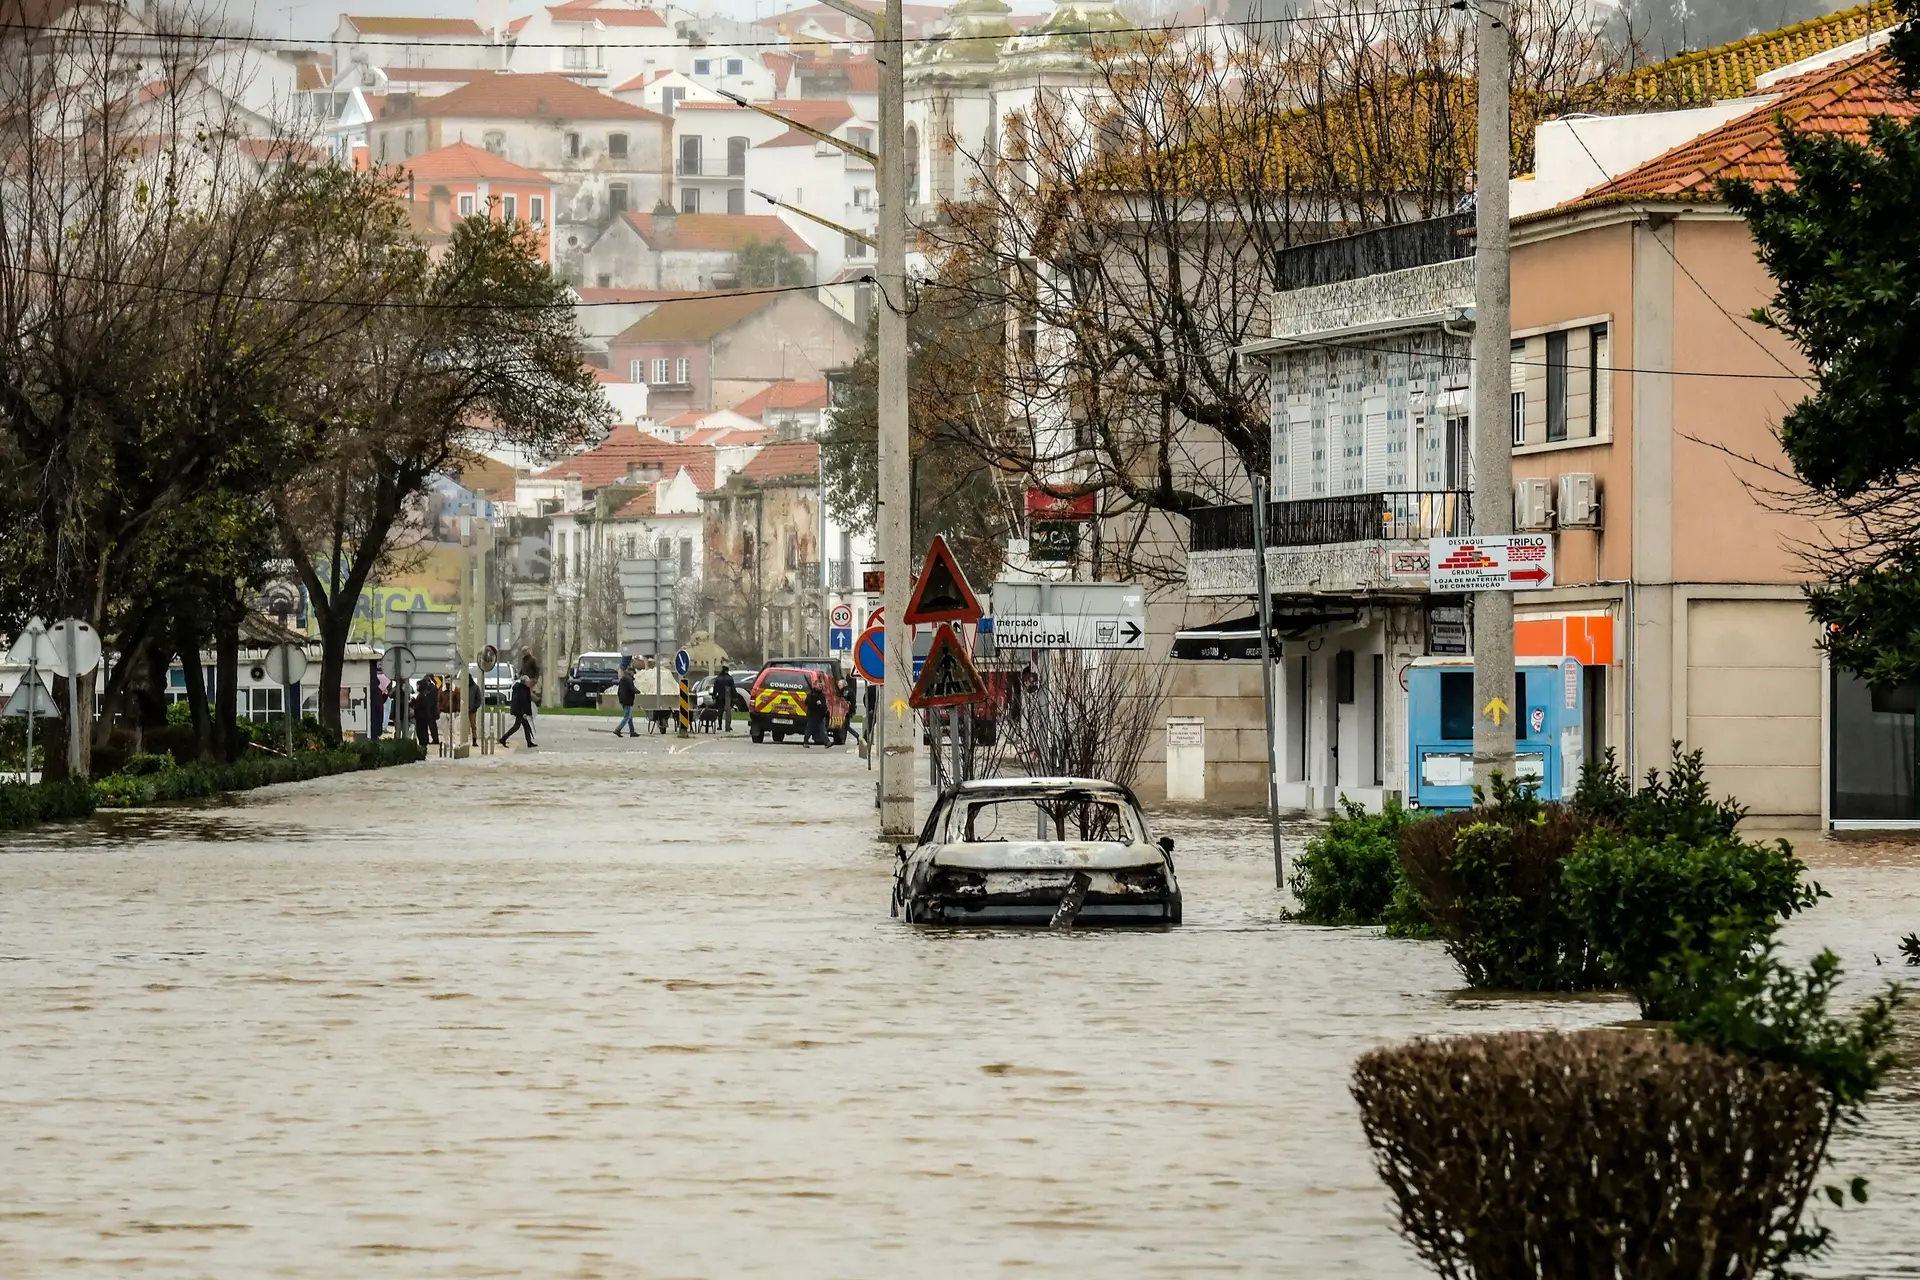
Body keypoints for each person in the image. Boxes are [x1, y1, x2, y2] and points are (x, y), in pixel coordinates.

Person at [502, 674, 536, 748]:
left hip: (520, 710)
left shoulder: (522, 688)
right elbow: (522, 702)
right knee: (516, 726)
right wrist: (524, 712)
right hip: (520, 711)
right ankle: (503, 738)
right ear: (524, 682)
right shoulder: (521, 690)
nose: (529, 683)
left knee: (526, 726)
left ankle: (529, 742)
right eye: (528, 682)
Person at [413, 675, 440, 747]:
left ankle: (434, 739)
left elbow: (428, 702)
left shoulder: (430, 690)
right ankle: (432, 739)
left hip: (429, 711)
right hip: (428, 712)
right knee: (426, 728)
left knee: (430, 727)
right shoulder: (426, 691)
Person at [802, 675, 828, 748]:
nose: (820, 686)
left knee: (822, 729)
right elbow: (807, 703)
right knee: (809, 729)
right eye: (818, 685)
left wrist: (822, 707)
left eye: (821, 685)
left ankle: (827, 742)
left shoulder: (822, 695)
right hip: (813, 715)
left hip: (820, 715)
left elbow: (824, 704)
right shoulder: (810, 694)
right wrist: (814, 701)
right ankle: (805, 742)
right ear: (815, 686)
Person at [614, 664, 638, 738]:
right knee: (627, 717)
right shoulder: (628, 679)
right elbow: (631, 689)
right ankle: (618, 729)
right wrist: (637, 691)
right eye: (633, 672)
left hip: (623, 699)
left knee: (629, 717)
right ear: (630, 672)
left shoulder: (624, 678)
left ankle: (632, 731)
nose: (634, 674)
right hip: (627, 700)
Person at [712, 663, 736, 733]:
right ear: (727, 671)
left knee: (720, 711)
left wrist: (713, 695)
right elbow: (733, 688)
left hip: (720, 697)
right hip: (728, 697)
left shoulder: (718, 678)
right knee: (728, 711)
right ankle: (728, 725)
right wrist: (735, 696)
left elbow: (715, 688)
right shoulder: (730, 678)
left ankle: (720, 725)